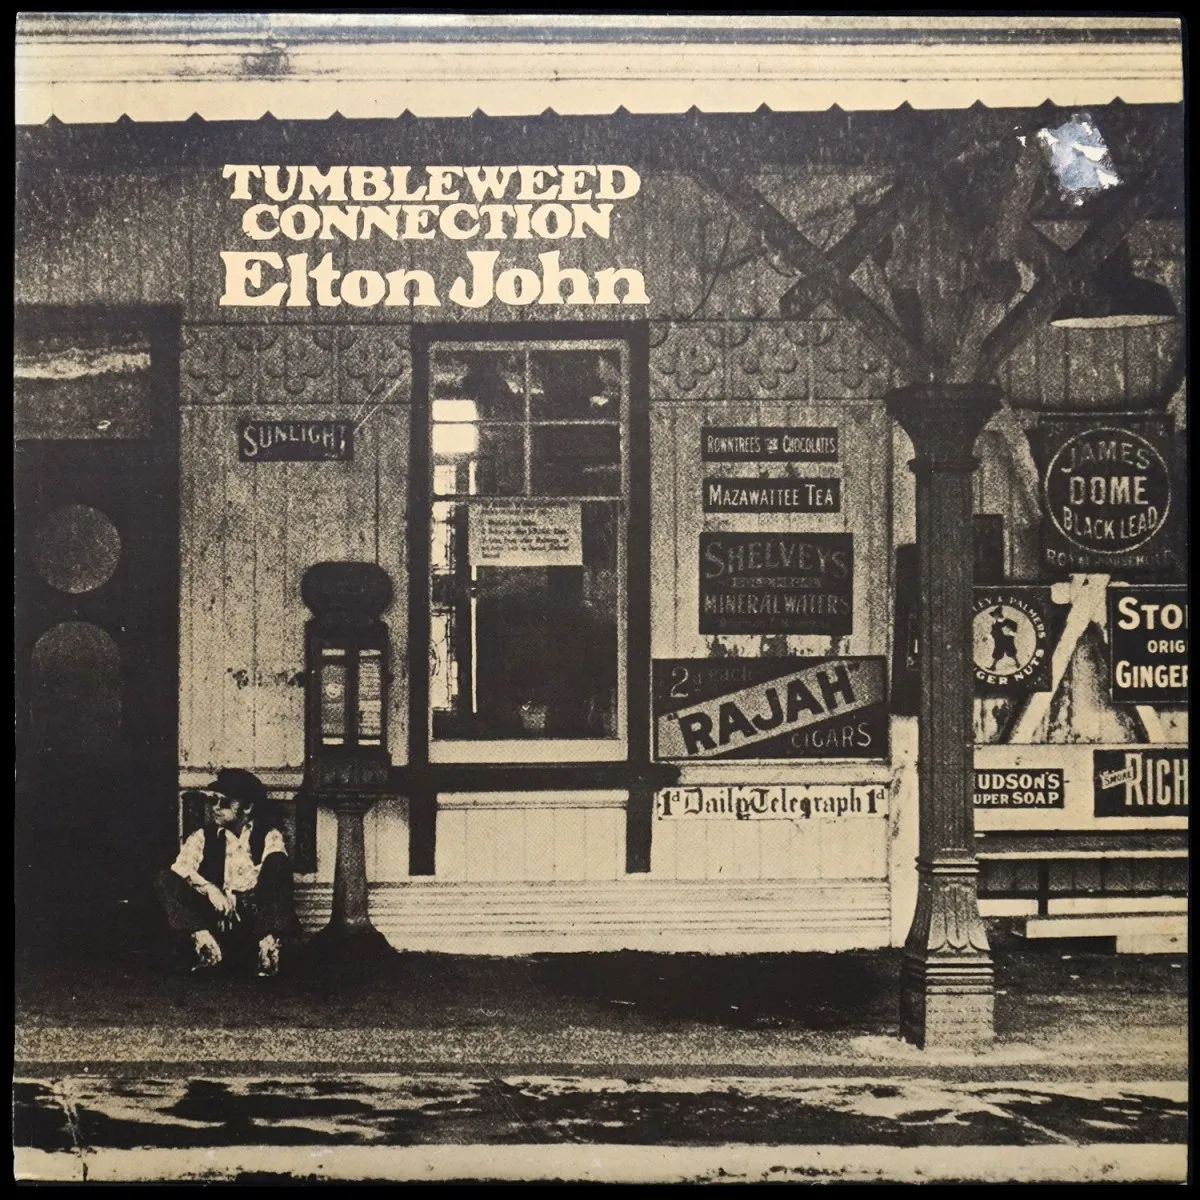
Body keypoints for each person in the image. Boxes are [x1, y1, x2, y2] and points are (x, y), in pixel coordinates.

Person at [155, 768, 300, 977]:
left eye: (224, 802)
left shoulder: (269, 835)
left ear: (247, 807)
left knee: (277, 863)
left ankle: (267, 948)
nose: (216, 807)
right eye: (213, 800)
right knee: (165, 878)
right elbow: (181, 868)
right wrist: (210, 889)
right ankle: (206, 946)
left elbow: (275, 873)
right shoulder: (202, 836)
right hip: (215, 920)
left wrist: (238, 897)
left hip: (254, 920)